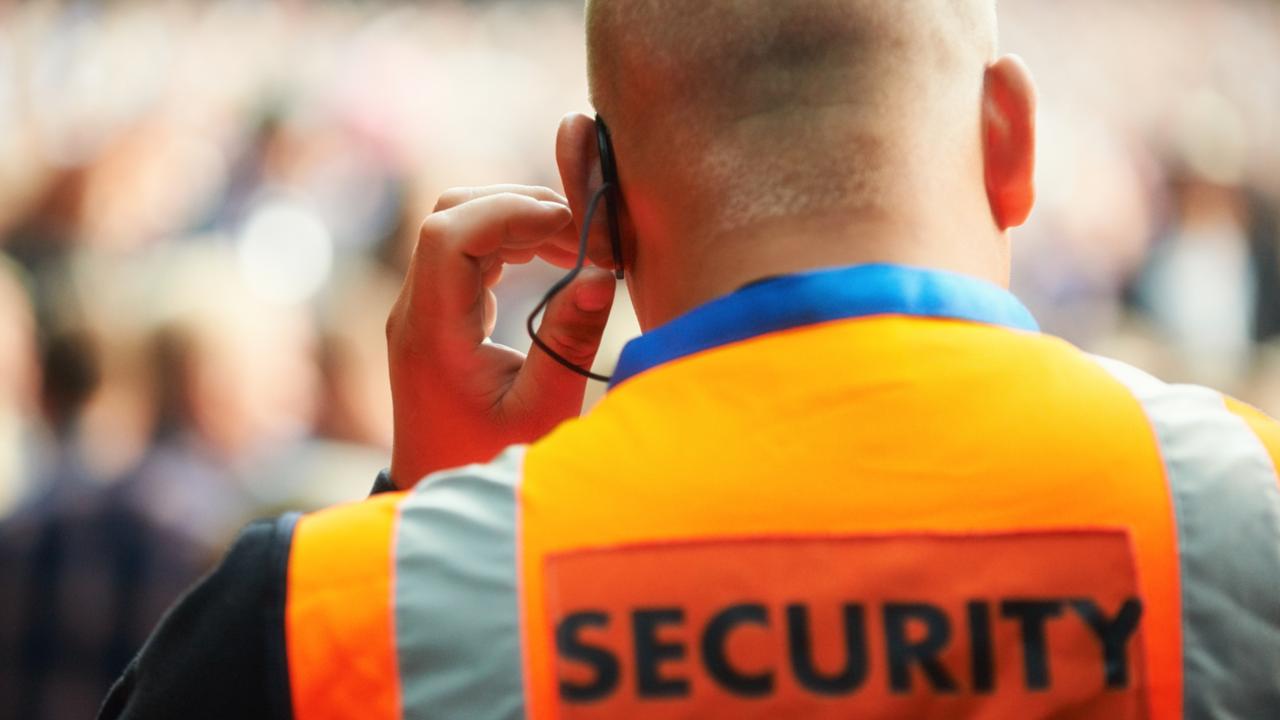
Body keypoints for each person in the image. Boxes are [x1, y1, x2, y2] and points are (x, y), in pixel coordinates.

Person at [100, 1, 1280, 719]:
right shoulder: (1247, 506)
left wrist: (427, 512)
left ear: (590, 192)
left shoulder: (330, 617)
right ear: (1010, 138)